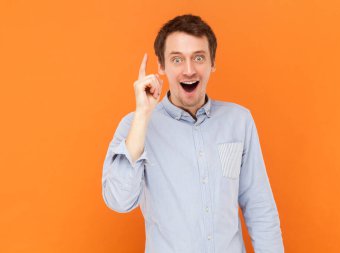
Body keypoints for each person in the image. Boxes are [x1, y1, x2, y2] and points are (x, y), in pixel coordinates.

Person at [102, 14, 284, 253]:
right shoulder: (135, 124)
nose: (189, 70)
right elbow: (118, 201)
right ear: (161, 66)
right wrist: (143, 115)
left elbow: (260, 206)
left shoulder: (239, 121)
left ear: (212, 62)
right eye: (177, 60)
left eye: (198, 57)